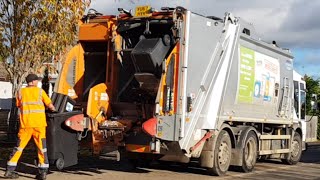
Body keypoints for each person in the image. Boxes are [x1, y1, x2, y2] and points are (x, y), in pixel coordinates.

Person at [4, 74, 56, 180]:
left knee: (19, 148)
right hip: (39, 125)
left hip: (25, 125)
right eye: (36, 80)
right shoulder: (40, 92)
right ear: (32, 82)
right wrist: (53, 109)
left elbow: (19, 105)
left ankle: (9, 170)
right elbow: (50, 106)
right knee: (42, 149)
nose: (38, 82)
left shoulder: (20, 92)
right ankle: (43, 173)